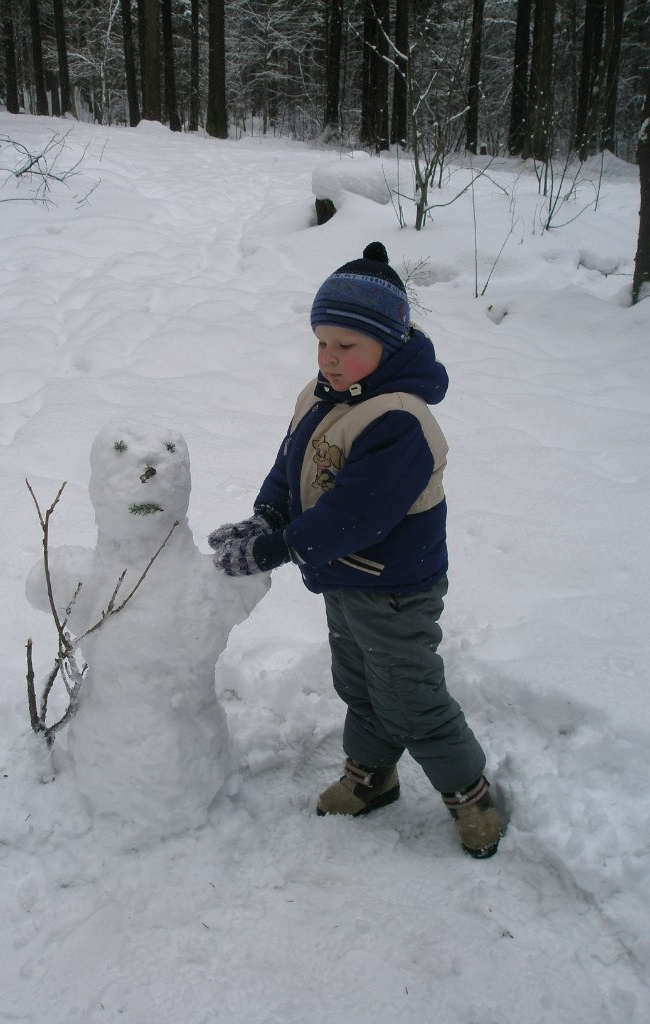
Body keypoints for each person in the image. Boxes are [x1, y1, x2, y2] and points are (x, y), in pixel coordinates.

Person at [209, 242, 502, 859]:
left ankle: (468, 793)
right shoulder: (319, 394)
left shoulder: (400, 419)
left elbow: (357, 516)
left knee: (412, 695)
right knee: (360, 683)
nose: (330, 359)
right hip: (345, 579)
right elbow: (291, 463)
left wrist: (276, 548)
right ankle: (373, 776)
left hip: (395, 586)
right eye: (322, 343)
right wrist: (268, 512)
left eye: (347, 347)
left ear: (387, 345)